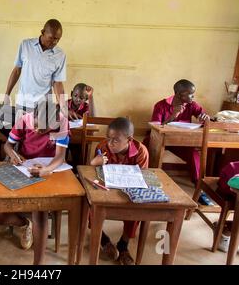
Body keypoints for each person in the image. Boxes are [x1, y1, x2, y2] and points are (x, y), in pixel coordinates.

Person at [1, 98, 69, 264]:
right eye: (36, 126)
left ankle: (37, 264)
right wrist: (14, 156)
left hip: (48, 169)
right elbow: (7, 146)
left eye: (44, 128)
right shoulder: (24, 120)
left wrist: (45, 170)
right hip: (25, 166)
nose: (38, 130)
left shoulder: (61, 122)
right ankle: (25, 224)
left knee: (40, 210)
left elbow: (60, 157)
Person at [90, 117, 149, 265]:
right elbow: (91, 175)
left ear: (129, 139)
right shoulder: (103, 147)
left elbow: (140, 178)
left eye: (115, 140)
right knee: (91, 201)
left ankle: (123, 244)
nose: (110, 144)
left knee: (137, 204)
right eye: (108, 138)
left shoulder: (141, 151)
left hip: (128, 190)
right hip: (106, 189)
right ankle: (103, 240)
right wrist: (94, 163)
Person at [146, 79, 212, 205]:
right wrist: (172, 116)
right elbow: (154, 127)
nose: (193, 97)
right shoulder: (161, 105)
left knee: (194, 154)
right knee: (147, 145)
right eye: (190, 94)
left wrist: (205, 118)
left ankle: (199, 188)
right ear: (179, 93)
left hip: (181, 141)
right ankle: (150, 183)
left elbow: (204, 117)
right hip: (161, 139)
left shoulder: (192, 105)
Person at [4, 19, 67, 119]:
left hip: (44, 107)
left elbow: (58, 83)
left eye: (58, 39)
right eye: (51, 38)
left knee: (40, 134)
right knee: (19, 133)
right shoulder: (25, 45)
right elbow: (17, 71)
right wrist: (7, 95)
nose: (55, 42)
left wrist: (63, 108)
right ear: (43, 32)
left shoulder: (60, 55)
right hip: (23, 103)